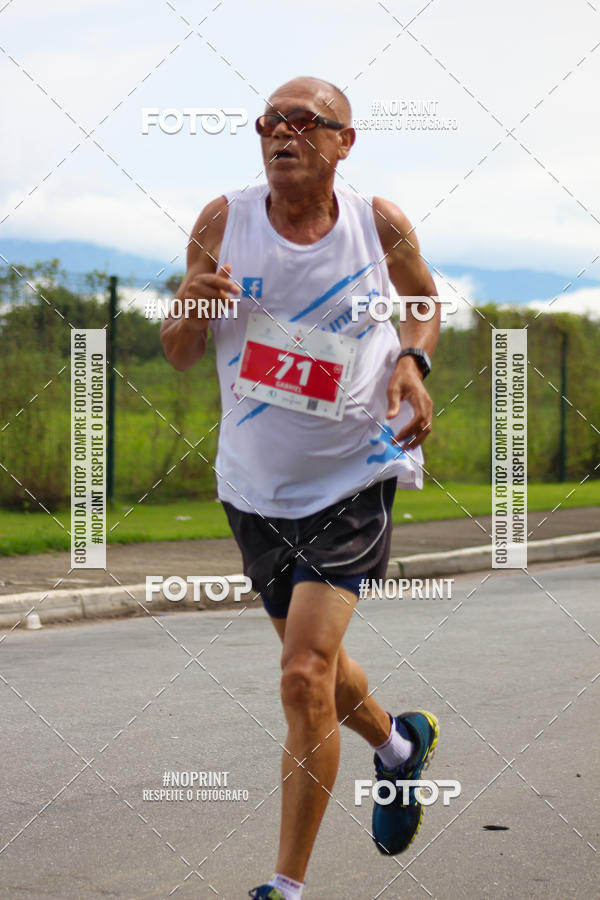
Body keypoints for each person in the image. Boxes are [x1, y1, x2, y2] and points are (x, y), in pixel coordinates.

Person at [161, 75, 441, 900]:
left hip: (354, 470)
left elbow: (422, 301)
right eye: (269, 122)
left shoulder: (375, 222)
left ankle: (286, 886)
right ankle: (398, 746)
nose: (282, 134)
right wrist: (184, 309)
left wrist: (411, 360)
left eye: (304, 122)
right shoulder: (225, 221)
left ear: (343, 142)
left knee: (300, 675)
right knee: (316, 668)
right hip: (255, 486)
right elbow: (180, 353)